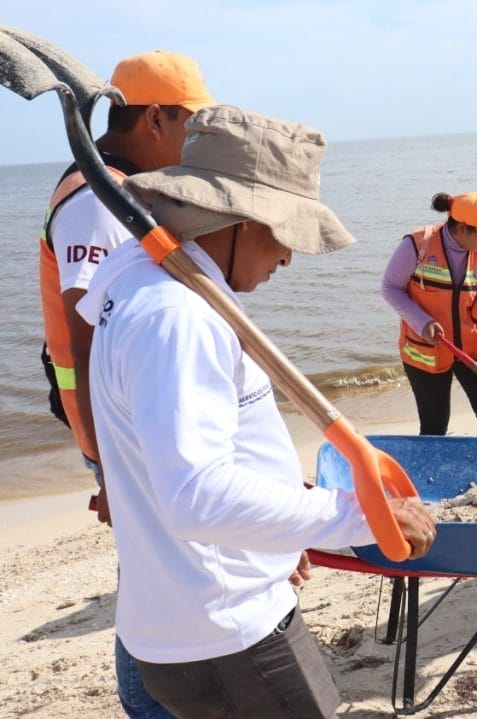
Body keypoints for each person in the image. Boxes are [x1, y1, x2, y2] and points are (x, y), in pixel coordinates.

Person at [76, 105, 436, 718]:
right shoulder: (177, 317)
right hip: (226, 628)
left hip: (191, 609)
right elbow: (197, 494)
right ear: (239, 219)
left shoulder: (141, 276)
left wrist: (281, 523)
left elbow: (188, 452)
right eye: (286, 234)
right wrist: (356, 517)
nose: (290, 258)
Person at [37, 50, 215, 719]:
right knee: (148, 572)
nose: (191, 140)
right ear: (156, 116)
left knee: (155, 565)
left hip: (126, 419)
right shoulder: (94, 197)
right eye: (188, 124)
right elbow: (87, 329)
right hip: (115, 424)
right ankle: (147, 704)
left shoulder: (120, 182)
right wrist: (110, 465)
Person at [381, 192, 477, 436]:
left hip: (471, 349)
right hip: (426, 352)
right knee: (435, 424)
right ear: (462, 228)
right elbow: (390, 288)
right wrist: (422, 322)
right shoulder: (416, 244)